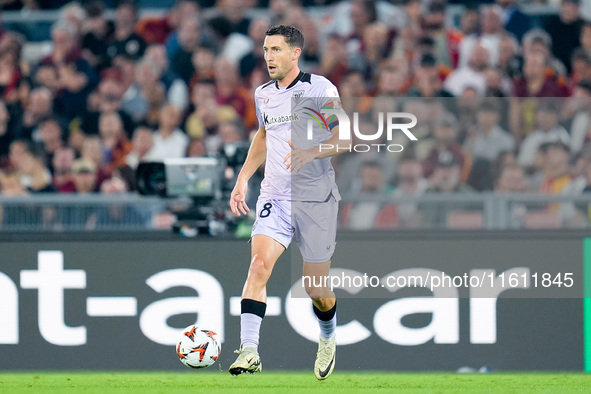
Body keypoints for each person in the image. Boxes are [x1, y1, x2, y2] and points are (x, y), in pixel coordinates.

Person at [228, 25, 347, 380]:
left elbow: (344, 138)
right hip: (275, 197)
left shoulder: (319, 89)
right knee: (259, 266)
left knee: (316, 289)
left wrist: (312, 151)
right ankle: (249, 350)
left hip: (316, 200)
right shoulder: (263, 94)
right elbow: (264, 136)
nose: (268, 57)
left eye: (276, 50)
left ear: (295, 53)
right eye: (266, 50)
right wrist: (243, 178)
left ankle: (327, 336)